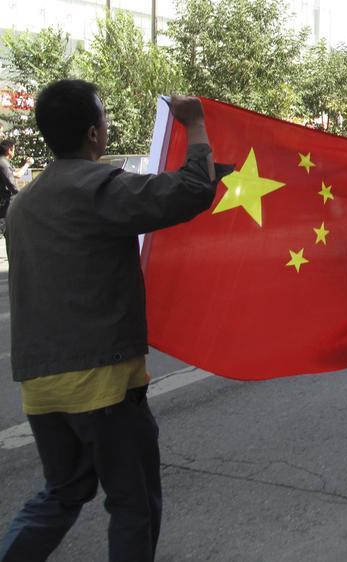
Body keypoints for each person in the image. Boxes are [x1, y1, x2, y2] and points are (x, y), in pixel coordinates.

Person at [0, 80, 231, 562]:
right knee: (132, 504)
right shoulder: (99, 188)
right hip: (102, 386)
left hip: (41, 389)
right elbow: (191, 190)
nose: (106, 129)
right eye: (104, 121)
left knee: (61, 494)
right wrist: (196, 125)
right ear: (92, 134)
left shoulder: (22, 206)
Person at [0, 140, 34, 236]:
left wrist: (26, 164)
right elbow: (13, 185)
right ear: (9, 150)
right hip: (5, 204)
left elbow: (16, 173)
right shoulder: (3, 163)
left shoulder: (4, 162)